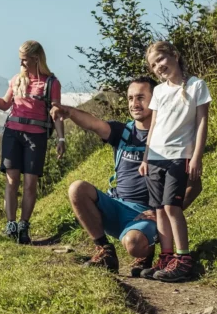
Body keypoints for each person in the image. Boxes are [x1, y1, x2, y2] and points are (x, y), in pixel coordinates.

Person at [50, 77, 203, 276]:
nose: (134, 104)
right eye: (130, 98)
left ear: (156, 99)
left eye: (141, 97)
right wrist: (69, 112)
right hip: (115, 205)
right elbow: (94, 124)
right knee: (77, 188)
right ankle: (105, 251)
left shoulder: (169, 137)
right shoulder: (122, 132)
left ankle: (145, 251)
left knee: (134, 244)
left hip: (146, 213)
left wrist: (164, 213)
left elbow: (195, 185)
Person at [0, 40, 65, 244]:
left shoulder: (51, 83)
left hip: (36, 136)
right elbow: (4, 104)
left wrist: (61, 138)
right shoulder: (16, 80)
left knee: (30, 184)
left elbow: (57, 112)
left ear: (36, 58)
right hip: (12, 133)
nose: (22, 64)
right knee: (11, 181)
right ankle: (11, 225)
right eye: (20, 60)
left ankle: (24, 226)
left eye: (24, 60)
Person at [138, 41, 211, 282]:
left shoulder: (196, 86)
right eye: (153, 64)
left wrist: (196, 156)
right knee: (159, 209)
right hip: (155, 158)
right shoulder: (158, 91)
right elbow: (154, 126)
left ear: (174, 55)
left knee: (172, 207)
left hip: (179, 156)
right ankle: (167, 257)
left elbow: (201, 123)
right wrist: (146, 157)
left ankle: (183, 258)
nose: (158, 66)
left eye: (161, 59)